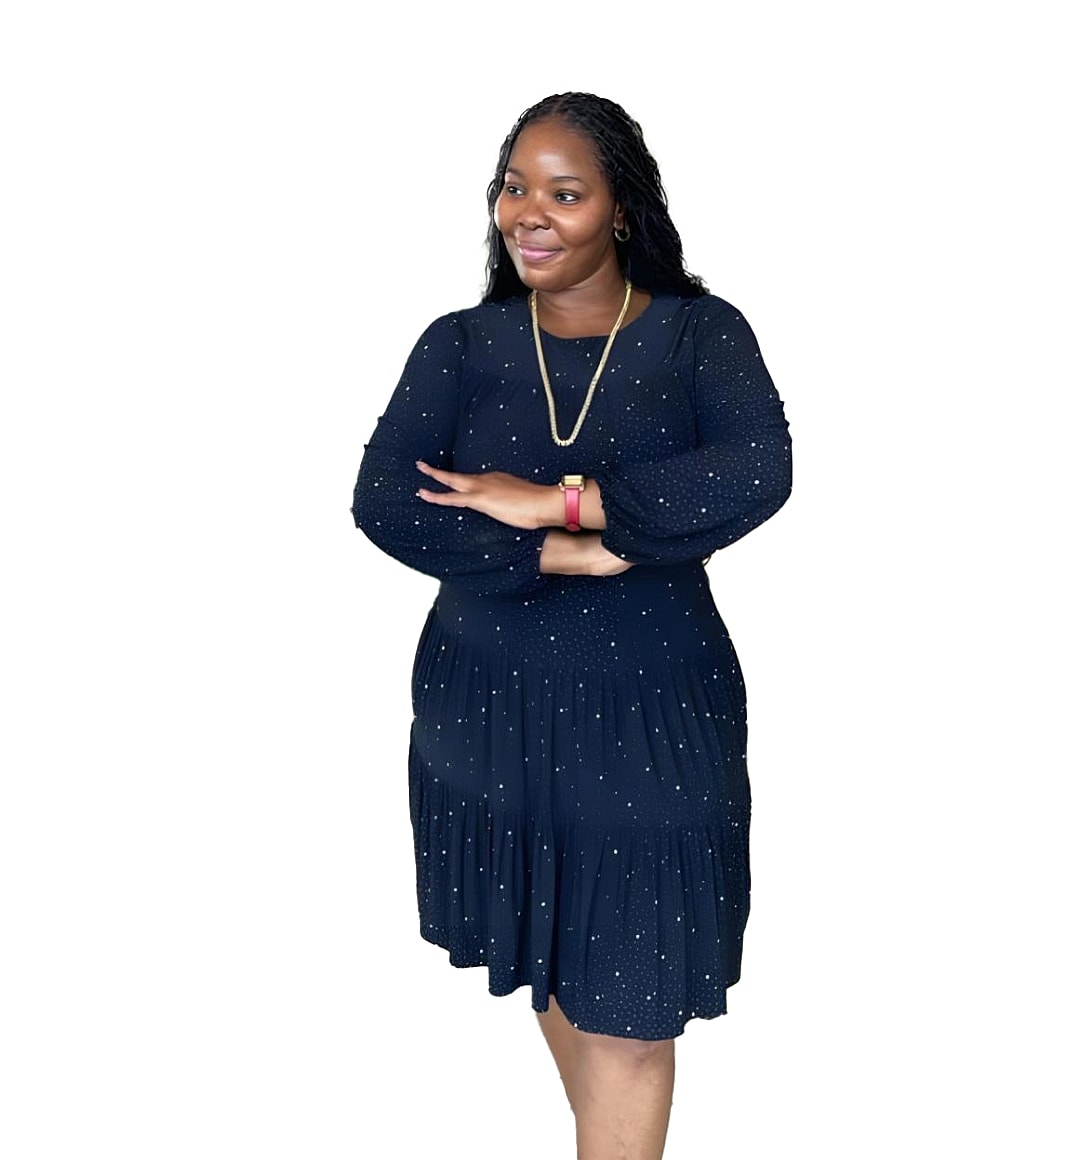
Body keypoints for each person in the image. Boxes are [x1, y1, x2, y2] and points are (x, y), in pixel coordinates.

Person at [352, 92, 792, 1160]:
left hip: (651, 711)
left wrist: (558, 498)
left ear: (620, 211)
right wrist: (562, 551)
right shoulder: (461, 343)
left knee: (634, 1014)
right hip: (489, 709)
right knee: (558, 961)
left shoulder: (698, 334)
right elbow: (384, 499)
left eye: (562, 192)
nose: (527, 213)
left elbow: (753, 470)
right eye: (513, 187)